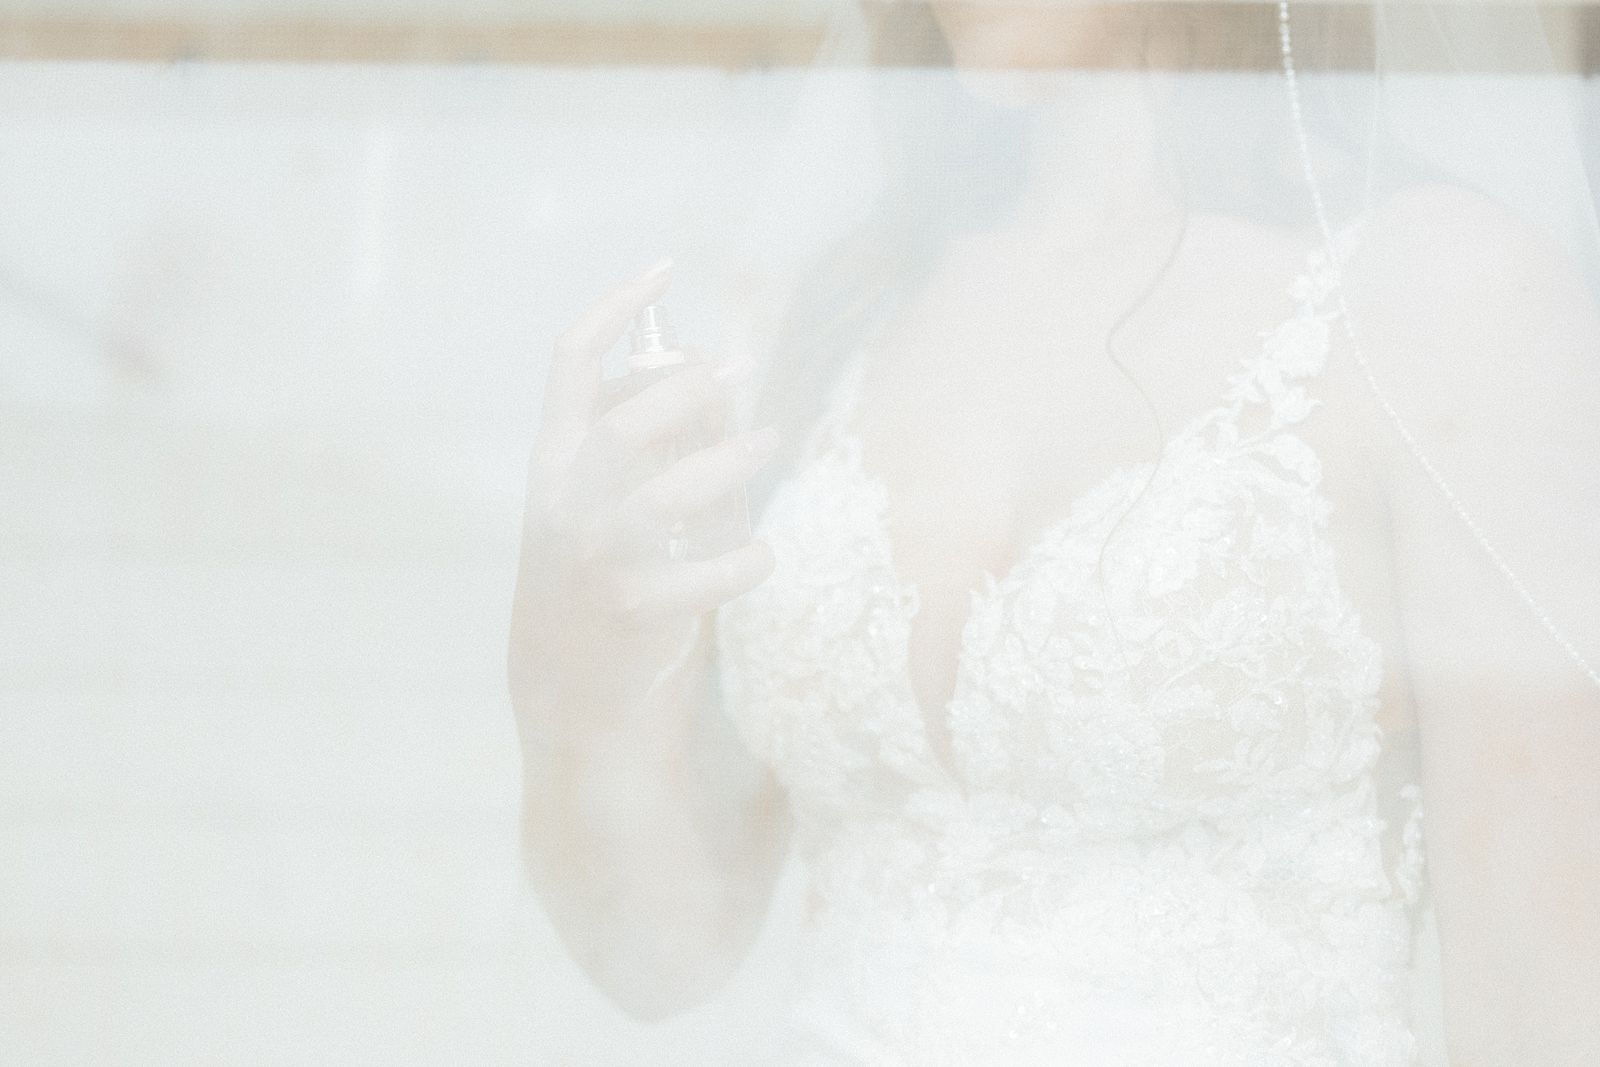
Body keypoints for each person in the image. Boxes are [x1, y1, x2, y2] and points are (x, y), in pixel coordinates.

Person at [508, 1, 1600, 1062]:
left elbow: (1541, 1002)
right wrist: (567, 657)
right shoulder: (846, 304)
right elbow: (658, 954)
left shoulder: (1446, 297)